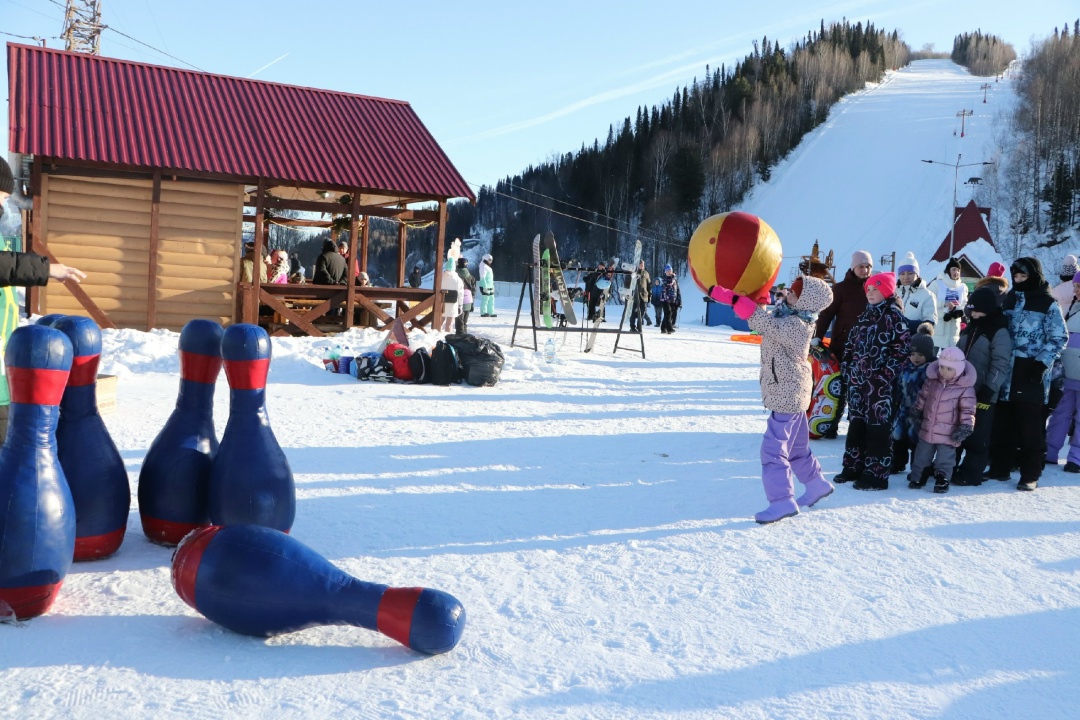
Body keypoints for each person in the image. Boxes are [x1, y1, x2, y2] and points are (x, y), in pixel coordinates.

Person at [709, 275, 836, 523]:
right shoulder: (790, 315)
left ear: (805, 302)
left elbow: (765, 325)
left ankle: (781, 501)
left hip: (787, 393)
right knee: (797, 447)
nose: (789, 292)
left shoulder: (798, 326)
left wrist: (736, 300)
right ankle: (816, 484)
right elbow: (765, 321)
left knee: (772, 450)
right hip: (793, 390)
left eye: (795, 292)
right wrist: (758, 301)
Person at [986, 258, 1067, 490]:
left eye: (1023, 277)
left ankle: (1030, 473)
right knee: (1003, 422)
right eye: (1016, 277)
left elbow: (1059, 337)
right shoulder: (1010, 298)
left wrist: (1041, 363)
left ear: (1033, 275)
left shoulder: (1048, 303)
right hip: (1007, 369)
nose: (1019, 281)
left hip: (1031, 370)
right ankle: (1000, 466)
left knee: (1030, 425)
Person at [834, 271, 911, 490]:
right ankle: (853, 466)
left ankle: (876, 474)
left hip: (881, 387)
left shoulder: (894, 316)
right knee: (856, 424)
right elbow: (851, 344)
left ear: (886, 291)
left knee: (878, 428)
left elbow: (902, 350)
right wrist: (848, 367)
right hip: (859, 383)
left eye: (875, 289)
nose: (870, 293)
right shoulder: (864, 315)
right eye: (868, 289)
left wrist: (885, 375)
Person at [952, 285, 1013, 486]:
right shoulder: (970, 328)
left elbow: (1000, 363)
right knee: (957, 431)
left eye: (977, 310)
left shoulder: (999, 331)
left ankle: (971, 472)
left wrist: (990, 389)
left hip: (984, 392)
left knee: (978, 436)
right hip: (962, 390)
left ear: (987, 309)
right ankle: (948, 467)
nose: (974, 314)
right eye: (972, 310)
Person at [813, 250, 874, 438]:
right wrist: (817, 337)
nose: (864, 270)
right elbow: (826, 315)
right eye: (861, 266)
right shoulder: (841, 289)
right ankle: (831, 425)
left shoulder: (875, 288)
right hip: (842, 347)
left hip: (867, 349)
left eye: (868, 267)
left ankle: (858, 429)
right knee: (838, 390)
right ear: (853, 268)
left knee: (863, 391)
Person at [906, 347, 977, 494]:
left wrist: (965, 426)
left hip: (949, 431)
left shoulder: (964, 388)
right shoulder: (932, 381)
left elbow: (968, 410)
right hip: (928, 427)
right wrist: (917, 410)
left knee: (945, 458)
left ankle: (942, 479)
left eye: (949, 369)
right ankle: (918, 476)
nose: (944, 371)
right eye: (942, 367)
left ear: (958, 369)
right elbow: (923, 397)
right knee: (922, 454)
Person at [1046, 271, 1080, 472]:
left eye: (1079, 287)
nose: (1076, 290)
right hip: (1067, 372)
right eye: (1075, 286)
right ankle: (1050, 451)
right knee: (1060, 413)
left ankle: (1076, 457)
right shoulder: (1070, 307)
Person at [891, 324, 936, 475]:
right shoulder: (905, 367)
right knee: (899, 438)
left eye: (920, 355)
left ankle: (918, 469)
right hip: (904, 409)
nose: (916, 358)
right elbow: (898, 386)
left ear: (928, 354)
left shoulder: (931, 372)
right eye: (913, 354)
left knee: (917, 441)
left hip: (921, 412)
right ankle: (897, 462)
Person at [929, 257, 969, 351]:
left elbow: (964, 304)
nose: (956, 272)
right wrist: (943, 303)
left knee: (948, 361)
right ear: (948, 271)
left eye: (958, 270)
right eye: (954, 269)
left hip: (953, 332)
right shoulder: (937, 284)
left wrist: (959, 312)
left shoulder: (963, 287)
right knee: (932, 359)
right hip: (938, 330)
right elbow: (929, 300)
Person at [895, 252, 938, 335]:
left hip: (915, 341)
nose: (906, 277)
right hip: (895, 342)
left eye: (910, 273)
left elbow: (930, 322)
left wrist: (907, 324)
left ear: (917, 274)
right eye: (902, 274)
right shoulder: (894, 294)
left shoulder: (927, 295)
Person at [441, 257, 463, 333]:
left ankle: (437, 336)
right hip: (453, 303)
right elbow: (460, 293)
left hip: (442, 302)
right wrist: (460, 305)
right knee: (449, 324)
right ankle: (448, 337)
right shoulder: (458, 279)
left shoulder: (441, 277)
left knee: (439, 322)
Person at [629, 260, 652, 332]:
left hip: (644, 295)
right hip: (635, 296)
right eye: (640, 264)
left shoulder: (646, 273)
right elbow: (629, 282)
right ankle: (632, 327)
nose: (642, 266)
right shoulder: (634, 272)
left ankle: (639, 327)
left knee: (643, 312)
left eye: (643, 264)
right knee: (633, 312)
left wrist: (649, 296)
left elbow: (649, 285)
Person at [456, 257, 476, 335]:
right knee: (465, 322)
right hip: (468, 299)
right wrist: (472, 304)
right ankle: (465, 336)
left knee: (459, 321)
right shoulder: (471, 277)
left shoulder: (455, 275)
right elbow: (473, 291)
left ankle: (459, 336)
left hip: (458, 299)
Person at [659, 264, 679, 334]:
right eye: (667, 271)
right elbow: (668, 284)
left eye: (670, 270)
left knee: (669, 314)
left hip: (671, 299)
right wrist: (672, 277)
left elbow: (676, 289)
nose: (669, 272)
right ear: (665, 272)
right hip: (664, 299)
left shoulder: (674, 279)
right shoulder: (664, 279)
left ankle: (663, 328)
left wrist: (677, 298)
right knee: (668, 313)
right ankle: (669, 328)